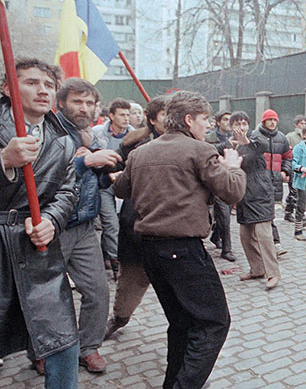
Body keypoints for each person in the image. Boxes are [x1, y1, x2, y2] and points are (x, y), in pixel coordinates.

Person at [114, 91, 246, 389]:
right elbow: (233, 192)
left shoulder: (140, 152)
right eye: (203, 120)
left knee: (183, 323)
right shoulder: (199, 151)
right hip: (183, 251)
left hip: (150, 251)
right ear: (189, 119)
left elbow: (121, 189)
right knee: (214, 322)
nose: (207, 126)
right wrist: (234, 166)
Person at [0, 58, 79, 388]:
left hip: (37, 250)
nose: (43, 90)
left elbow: (67, 190)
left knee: (63, 341)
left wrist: (51, 220)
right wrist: (4, 160)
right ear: (7, 89)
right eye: (32, 82)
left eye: (49, 85)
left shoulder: (62, 139)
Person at [56, 78, 117, 373]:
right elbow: (47, 175)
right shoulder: (51, 131)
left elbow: (93, 181)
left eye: (89, 102)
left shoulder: (91, 136)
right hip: (52, 226)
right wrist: (85, 162)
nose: (84, 108)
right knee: (48, 297)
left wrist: (105, 173)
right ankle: (41, 351)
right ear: (61, 103)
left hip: (84, 226)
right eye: (77, 102)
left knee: (97, 291)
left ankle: (87, 347)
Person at [105, 95, 168, 339]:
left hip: (171, 229)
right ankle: (119, 317)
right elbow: (115, 175)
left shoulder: (190, 143)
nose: (170, 119)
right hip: (138, 224)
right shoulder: (135, 146)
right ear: (152, 120)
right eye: (164, 115)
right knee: (131, 278)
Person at [222, 111, 281, 290]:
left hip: (260, 192)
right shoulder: (229, 146)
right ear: (231, 127)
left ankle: (273, 273)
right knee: (245, 236)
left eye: (244, 123)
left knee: (264, 235)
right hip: (243, 194)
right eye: (237, 124)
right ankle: (257, 269)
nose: (241, 127)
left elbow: (261, 147)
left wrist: (245, 141)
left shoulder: (256, 139)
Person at [92, 98, 134, 279]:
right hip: (105, 185)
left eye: (128, 114)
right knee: (111, 224)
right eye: (122, 115)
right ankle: (116, 263)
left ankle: (129, 259)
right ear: (111, 116)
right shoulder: (97, 133)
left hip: (128, 184)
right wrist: (106, 174)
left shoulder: (134, 135)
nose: (126, 118)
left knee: (129, 223)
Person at [257, 109, 292, 256]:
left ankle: (272, 244)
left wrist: (285, 172)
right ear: (263, 121)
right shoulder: (255, 137)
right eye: (269, 120)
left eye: (274, 120)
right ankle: (273, 243)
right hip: (258, 183)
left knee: (268, 214)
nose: (272, 122)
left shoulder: (282, 138)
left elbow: (288, 157)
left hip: (274, 183)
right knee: (264, 215)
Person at [206, 110, 237, 262]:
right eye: (225, 120)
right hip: (215, 179)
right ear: (218, 122)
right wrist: (227, 144)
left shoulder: (235, 137)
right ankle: (227, 249)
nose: (228, 123)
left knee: (225, 212)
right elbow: (208, 152)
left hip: (229, 179)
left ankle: (216, 236)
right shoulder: (209, 138)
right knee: (224, 215)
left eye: (230, 120)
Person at [284, 114, 306, 222]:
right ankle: (301, 217)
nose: (303, 125)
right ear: (296, 125)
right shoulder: (290, 136)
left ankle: (288, 212)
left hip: (303, 167)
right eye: (301, 123)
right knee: (295, 191)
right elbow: (285, 151)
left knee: (297, 191)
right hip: (293, 165)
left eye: (305, 123)